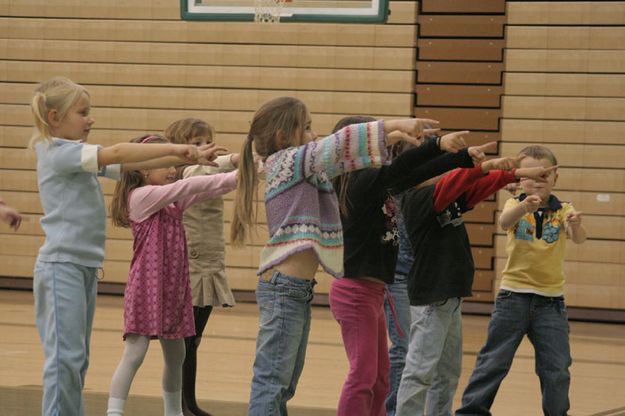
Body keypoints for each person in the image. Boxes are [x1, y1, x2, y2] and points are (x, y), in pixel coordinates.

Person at [230, 96, 439, 416]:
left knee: (284, 383)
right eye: (308, 127)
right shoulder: (288, 161)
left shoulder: (300, 166)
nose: (314, 134)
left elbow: (344, 159)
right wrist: (393, 125)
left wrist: (391, 138)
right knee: (273, 381)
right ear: (283, 137)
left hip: (294, 288)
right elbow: (337, 145)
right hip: (282, 286)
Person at [30, 76, 204, 416]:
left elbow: (131, 164)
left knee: (77, 361)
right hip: (60, 266)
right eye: (83, 112)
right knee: (64, 360)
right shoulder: (57, 152)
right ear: (54, 117)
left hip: (83, 268)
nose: (90, 119)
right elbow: (121, 151)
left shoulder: (76, 158)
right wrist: (174, 148)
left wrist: (189, 160)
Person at [330, 115, 474, 416]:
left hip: (372, 291)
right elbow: (402, 168)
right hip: (354, 292)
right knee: (363, 376)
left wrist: (461, 158)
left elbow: (412, 173)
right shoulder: (358, 183)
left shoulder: (375, 183)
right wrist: (437, 145)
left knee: (381, 379)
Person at [395, 148, 556, 416]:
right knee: (420, 372)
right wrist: (490, 167)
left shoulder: (444, 197)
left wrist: (510, 175)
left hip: (449, 298)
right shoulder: (419, 198)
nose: (443, 171)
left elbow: (476, 187)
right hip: (432, 298)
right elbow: (459, 179)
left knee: (446, 373)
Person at [106, 134, 237, 416]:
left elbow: (211, 187)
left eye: (172, 165)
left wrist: (245, 174)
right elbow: (191, 183)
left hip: (174, 289)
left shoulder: (172, 203)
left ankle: (173, 412)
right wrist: (239, 174)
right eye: (164, 164)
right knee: (135, 354)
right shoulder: (140, 197)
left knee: (177, 355)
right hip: (146, 289)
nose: (171, 170)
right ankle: (113, 413)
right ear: (142, 169)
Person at [456, 145, 586, 416]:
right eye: (530, 177)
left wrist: (575, 224)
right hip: (512, 298)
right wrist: (524, 207)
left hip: (551, 303)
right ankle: (472, 411)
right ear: (518, 177)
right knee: (493, 361)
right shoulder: (515, 204)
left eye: (544, 177)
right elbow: (505, 222)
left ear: (555, 178)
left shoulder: (563, 208)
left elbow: (578, 238)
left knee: (557, 367)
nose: (537, 183)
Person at [165, 118, 239, 416]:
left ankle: (187, 403)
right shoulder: (184, 172)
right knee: (185, 341)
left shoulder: (207, 168)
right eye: (195, 143)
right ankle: (183, 404)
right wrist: (233, 159)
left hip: (210, 260)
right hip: (192, 263)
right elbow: (204, 169)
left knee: (193, 341)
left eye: (206, 141)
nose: (202, 148)